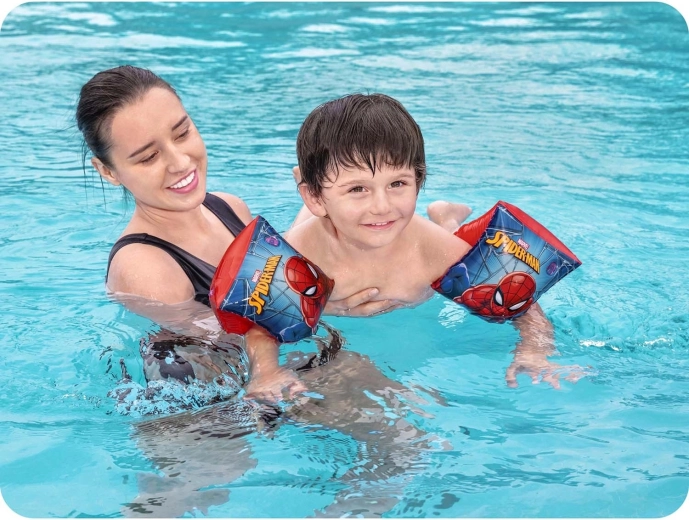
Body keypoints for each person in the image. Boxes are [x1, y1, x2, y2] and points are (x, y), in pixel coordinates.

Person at [75, 65, 394, 403]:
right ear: (108, 171)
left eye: (182, 133)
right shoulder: (145, 266)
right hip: (206, 419)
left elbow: (278, 280)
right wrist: (325, 307)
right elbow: (230, 342)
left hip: (275, 380)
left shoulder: (229, 208)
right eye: (149, 157)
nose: (180, 162)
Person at [283, 93, 584, 389]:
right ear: (314, 197)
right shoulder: (300, 252)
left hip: (395, 233)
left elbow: (520, 303)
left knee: (451, 253)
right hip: (325, 231)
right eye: (358, 188)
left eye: (398, 183)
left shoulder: (433, 251)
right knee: (308, 228)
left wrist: (534, 350)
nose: (382, 206)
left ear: (418, 180)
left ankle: (446, 219)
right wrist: (320, 310)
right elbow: (261, 317)